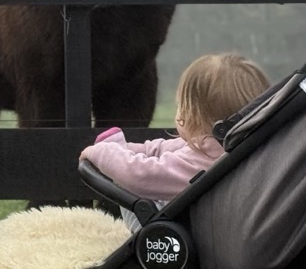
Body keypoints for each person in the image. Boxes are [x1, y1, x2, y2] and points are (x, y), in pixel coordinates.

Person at [80, 53, 270, 204]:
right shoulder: (227, 146)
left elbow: (142, 176)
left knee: (131, 187)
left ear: (194, 117)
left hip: (178, 236)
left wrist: (103, 153)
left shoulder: (206, 161)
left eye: (182, 106)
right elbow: (166, 149)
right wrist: (127, 149)